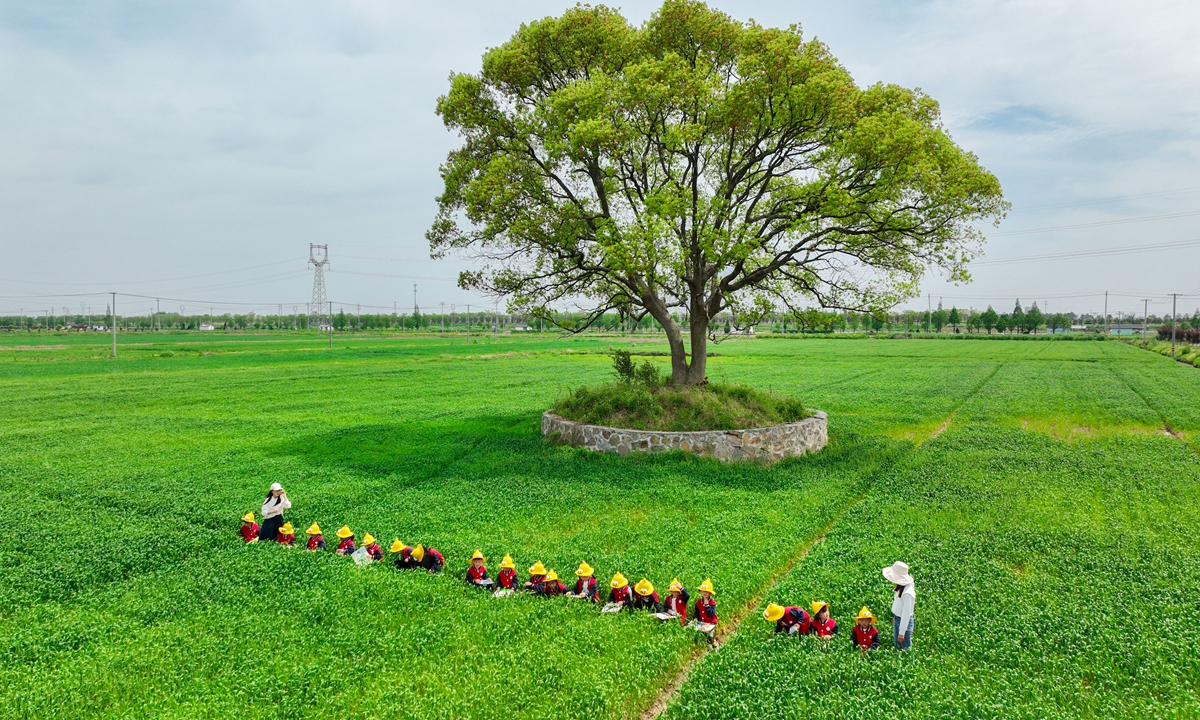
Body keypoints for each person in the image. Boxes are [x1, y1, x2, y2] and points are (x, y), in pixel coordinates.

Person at [882, 560, 916, 649]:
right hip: (898, 618)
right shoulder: (901, 587)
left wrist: (902, 632)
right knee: (897, 645)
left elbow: (906, 614)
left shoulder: (908, 593)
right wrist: (895, 616)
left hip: (905, 622)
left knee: (905, 647)